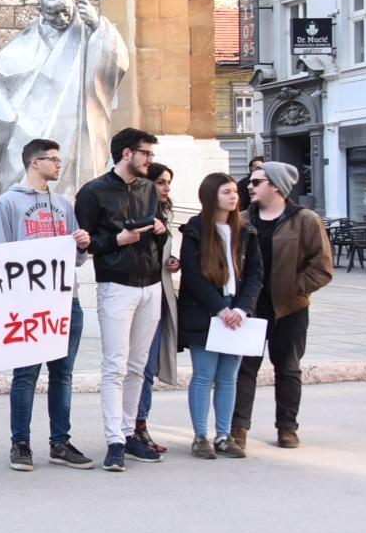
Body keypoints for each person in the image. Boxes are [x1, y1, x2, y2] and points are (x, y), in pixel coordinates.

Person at [0, 0, 129, 196]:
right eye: (54, 13)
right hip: (29, 129)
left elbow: (116, 64)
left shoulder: (88, 34)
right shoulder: (26, 41)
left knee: (73, 191)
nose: (61, 19)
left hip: (75, 129)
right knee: (18, 182)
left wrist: (97, 27)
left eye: (65, 11)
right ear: (41, 11)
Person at [0, 138, 95, 471]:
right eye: (52, 159)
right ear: (34, 162)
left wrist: (82, 244)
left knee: (62, 374)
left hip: (67, 299)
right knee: (26, 374)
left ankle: (59, 442)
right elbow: (0, 253)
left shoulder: (63, 204)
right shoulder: (9, 203)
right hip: (29, 302)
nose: (58, 164)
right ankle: (20, 443)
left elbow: (78, 258)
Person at [74, 127, 168, 471]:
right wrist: (119, 239)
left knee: (138, 366)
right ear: (127, 153)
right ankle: (114, 438)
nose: (150, 160)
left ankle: (129, 434)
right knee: (115, 364)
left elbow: (159, 231)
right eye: (146, 153)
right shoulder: (93, 192)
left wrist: (160, 230)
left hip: (150, 283)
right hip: (116, 284)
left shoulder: (147, 188)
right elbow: (85, 244)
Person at [232, 161, 333, 451]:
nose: (249, 187)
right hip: (249, 308)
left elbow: (322, 267)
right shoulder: (242, 220)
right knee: (244, 369)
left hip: (290, 308)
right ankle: (239, 428)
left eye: (256, 182)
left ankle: (287, 428)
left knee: (288, 369)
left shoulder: (305, 219)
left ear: (275, 185)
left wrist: (293, 289)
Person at [177, 173, 263, 460]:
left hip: (237, 310)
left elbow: (254, 273)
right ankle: (200, 435)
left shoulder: (246, 230)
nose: (234, 196)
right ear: (211, 195)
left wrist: (241, 308)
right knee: (204, 374)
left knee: (229, 376)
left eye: (234, 192)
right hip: (205, 310)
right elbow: (192, 274)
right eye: (226, 192)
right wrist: (220, 309)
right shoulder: (195, 229)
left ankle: (224, 435)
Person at [133, 162, 179, 452]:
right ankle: (131, 427)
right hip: (139, 295)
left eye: (168, 183)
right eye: (161, 182)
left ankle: (141, 424)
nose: (166, 188)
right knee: (137, 367)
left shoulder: (164, 214)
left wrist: (174, 262)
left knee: (149, 368)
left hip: (160, 295)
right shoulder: (138, 214)